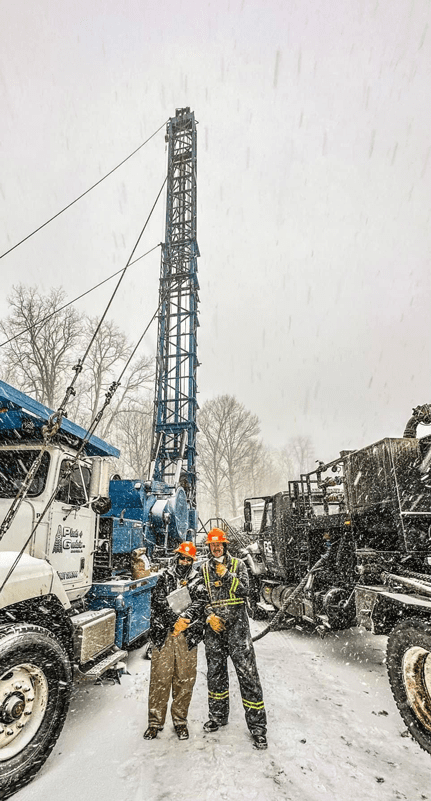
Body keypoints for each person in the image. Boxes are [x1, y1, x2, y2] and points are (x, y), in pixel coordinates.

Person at [200, 528, 268, 750]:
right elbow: (199, 597)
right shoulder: (202, 568)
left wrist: (226, 576)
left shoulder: (238, 565)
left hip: (237, 627)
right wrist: (209, 616)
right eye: (213, 544)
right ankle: (218, 716)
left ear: (225, 545)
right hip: (214, 629)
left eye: (219, 544)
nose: (216, 547)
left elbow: (246, 590)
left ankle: (258, 728)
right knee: (216, 673)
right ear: (209, 547)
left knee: (248, 675)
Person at [143, 541, 207, 741]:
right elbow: (158, 600)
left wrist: (185, 619)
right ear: (176, 558)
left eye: (189, 559)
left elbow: (201, 602)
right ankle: (155, 722)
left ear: (193, 561)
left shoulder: (198, 580)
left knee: (184, 680)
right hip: (164, 635)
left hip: (187, 636)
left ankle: (180, 722)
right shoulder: (165, 577)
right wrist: (174, 620)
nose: (185, 561)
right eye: (182, 558)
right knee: (160, 679)